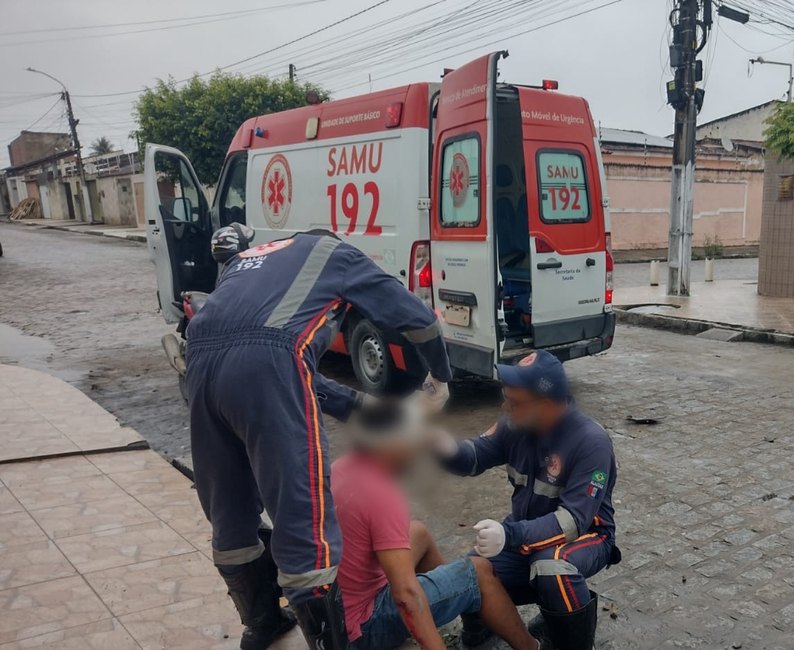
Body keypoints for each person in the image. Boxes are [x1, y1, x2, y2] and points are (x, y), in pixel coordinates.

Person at [185, 229, 452, 650]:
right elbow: (416, 319)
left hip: (199, 364)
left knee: (228, 509)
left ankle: (262, 624)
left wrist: (368, 410)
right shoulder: (335, 253)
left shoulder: (252, 260)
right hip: (267, 365)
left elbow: (264, 354)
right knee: (303, 520)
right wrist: (440, 375)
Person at [432, 350, 619, 650]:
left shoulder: (589, 441)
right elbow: (474, 456)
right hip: (524, 530)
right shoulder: (514, 425)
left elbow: (573, 522)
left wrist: (510, 535)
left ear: (546, 406)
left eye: (515, 402)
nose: (505, 406)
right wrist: (438, 444)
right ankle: (483, 634)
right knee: (472, 570)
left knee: (553, 569)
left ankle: (572, 642)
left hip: (587, 536)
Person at [330, 408, 541, 650]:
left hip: (336, 610)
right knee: (480, 571)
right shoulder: (384, 495)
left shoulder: (341, 467)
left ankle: (475, 621)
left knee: (417, 532)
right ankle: (532, 647)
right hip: (362, 628)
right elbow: (406, 595)